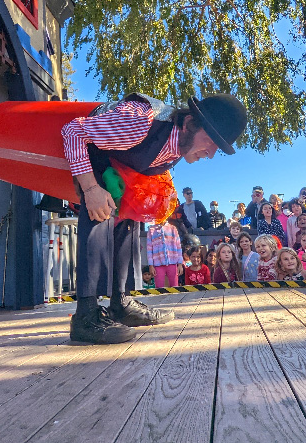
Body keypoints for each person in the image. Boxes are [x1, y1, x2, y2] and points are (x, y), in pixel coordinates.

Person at [61, 91, 247, 343]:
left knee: (129, 223)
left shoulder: (179, 146)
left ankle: (121, 303)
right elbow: (73, 132)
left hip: (121, 171)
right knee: (99, 215)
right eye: (212, 140)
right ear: (190, 122)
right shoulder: (140, 121)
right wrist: (91, 188)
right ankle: (85, 315)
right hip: (93, 160)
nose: (211, 153)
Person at [146, 221, 183, 289]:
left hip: (172, 262)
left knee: (175, 287)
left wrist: (180, 264)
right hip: (158, 264)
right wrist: (151, 265)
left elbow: (178, 247)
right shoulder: (151, 230)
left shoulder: (173, 228)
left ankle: (175, 300)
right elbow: (149, 249)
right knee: (159, 288)